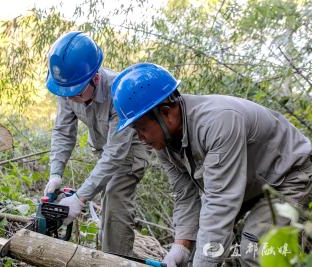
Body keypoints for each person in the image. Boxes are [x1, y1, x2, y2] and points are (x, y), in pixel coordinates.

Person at [111, 62, 312, 266]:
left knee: (256, 249)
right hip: (251, 183)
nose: (140, 137)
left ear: (165, 113)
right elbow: (185, 195)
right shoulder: (164, 142)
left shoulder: (218, 122)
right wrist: (181, 246)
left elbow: (220, 202)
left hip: (290, 176)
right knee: (201, 248)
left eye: (141, 128)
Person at [44, 32, 150, 257]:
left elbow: (115, 153)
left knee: (114, 195)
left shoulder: (119, 92)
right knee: (104, 197)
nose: (70, 98)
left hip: (130, 148)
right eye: (67, 93)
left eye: (76, 93)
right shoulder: (68, 87)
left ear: (96, 78)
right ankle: (109, 247)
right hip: (104, 149)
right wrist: (55, 173)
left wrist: (80, 197)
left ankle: (116, 259)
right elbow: (63, 132)